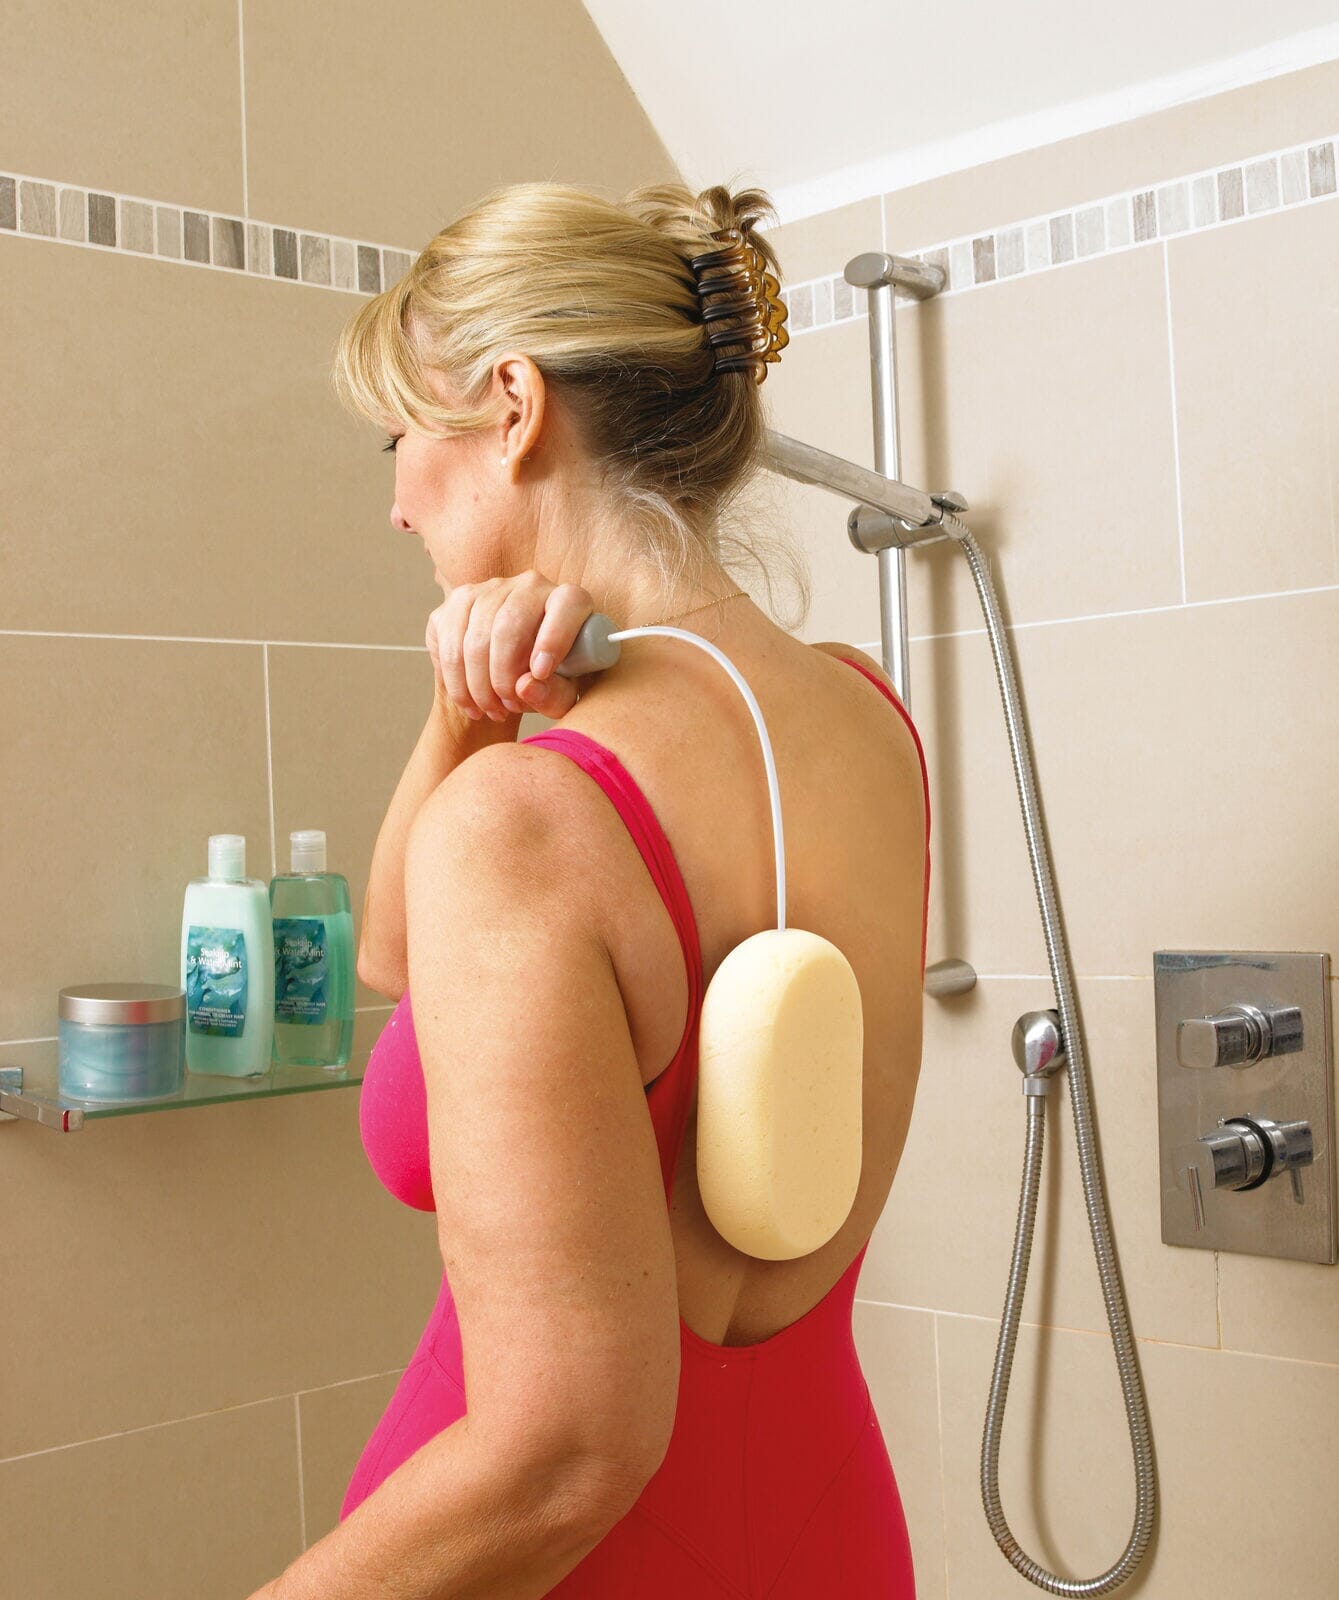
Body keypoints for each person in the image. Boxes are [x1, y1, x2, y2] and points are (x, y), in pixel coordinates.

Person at [252, 181, 930, 1600]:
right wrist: (468, 709)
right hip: (831, 1535)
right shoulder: (870, 721)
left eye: (399, 438)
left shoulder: (527, 823)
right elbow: (396, 958)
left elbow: (561, 1453)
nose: (392, 502)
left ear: (512, 406)